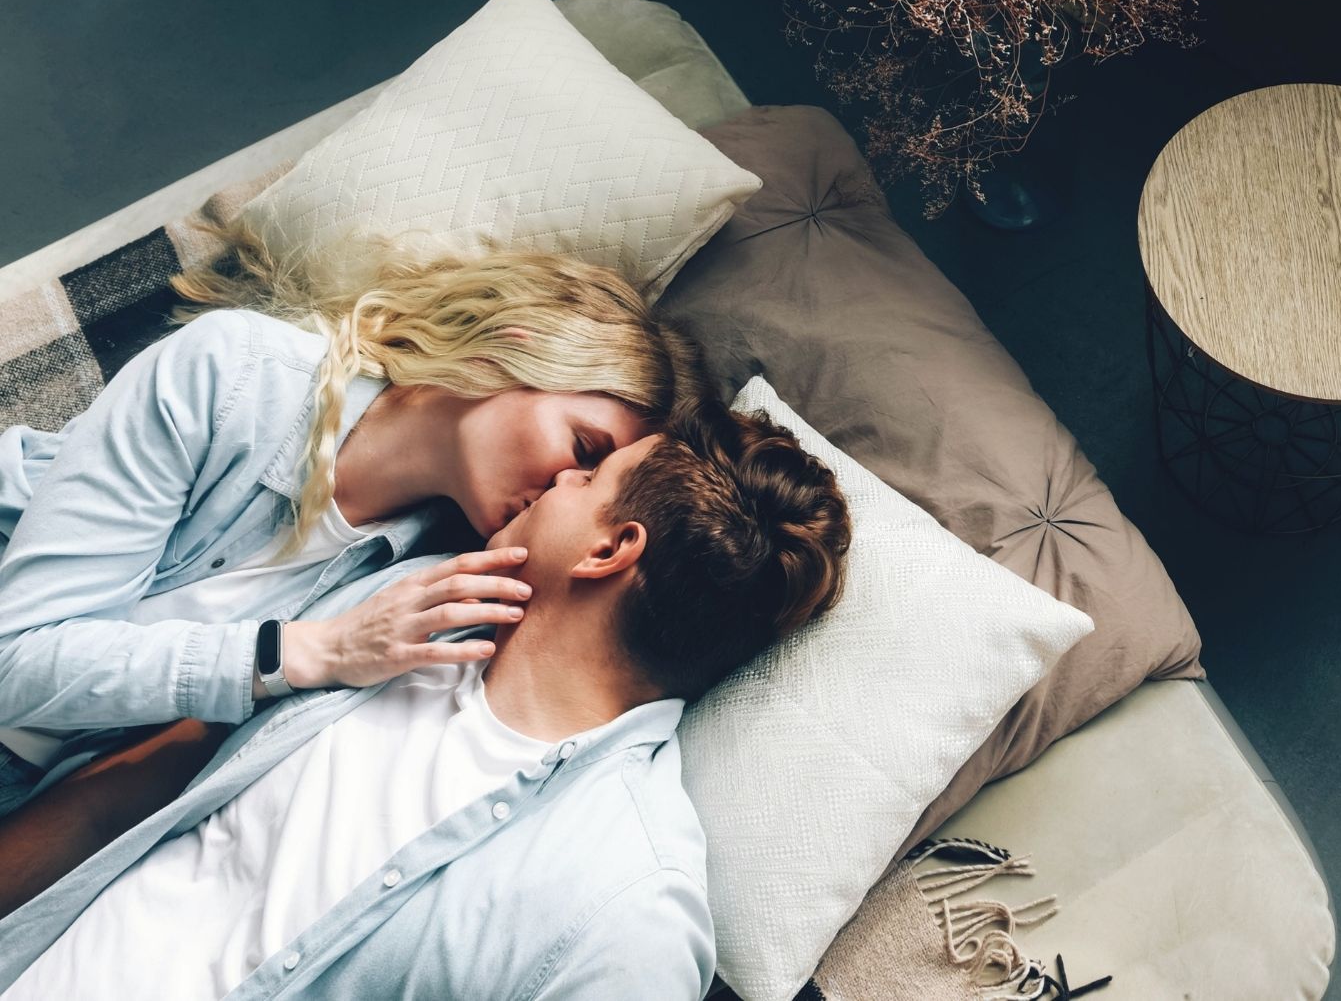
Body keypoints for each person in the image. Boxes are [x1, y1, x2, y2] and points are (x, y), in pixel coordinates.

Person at [0, 396, 852, 999]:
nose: (558, 481)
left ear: (610, 548)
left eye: (590, 479)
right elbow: (132, 790)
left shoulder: (626, 916)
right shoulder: (402, 607)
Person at [0, 218, 708, 817]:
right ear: (520, 343)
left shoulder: (436, 574)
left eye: (585, 481)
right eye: (580, 449)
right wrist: (303, 652)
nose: (560, 492)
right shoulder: (235, 376)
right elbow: (15, 656)